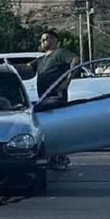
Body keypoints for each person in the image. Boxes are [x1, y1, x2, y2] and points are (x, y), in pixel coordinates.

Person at [21, 30, 80, 170]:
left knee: (58, 126)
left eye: (46, 39)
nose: (42, 42)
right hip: (44, 98)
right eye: (41, 40)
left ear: (54, 40)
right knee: (48, 128)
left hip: (56, 97)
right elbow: (27, 68)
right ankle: (52, 157)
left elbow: (75, 60)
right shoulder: (41, 59)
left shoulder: (60, 53)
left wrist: (68, 80)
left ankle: (61, 158)